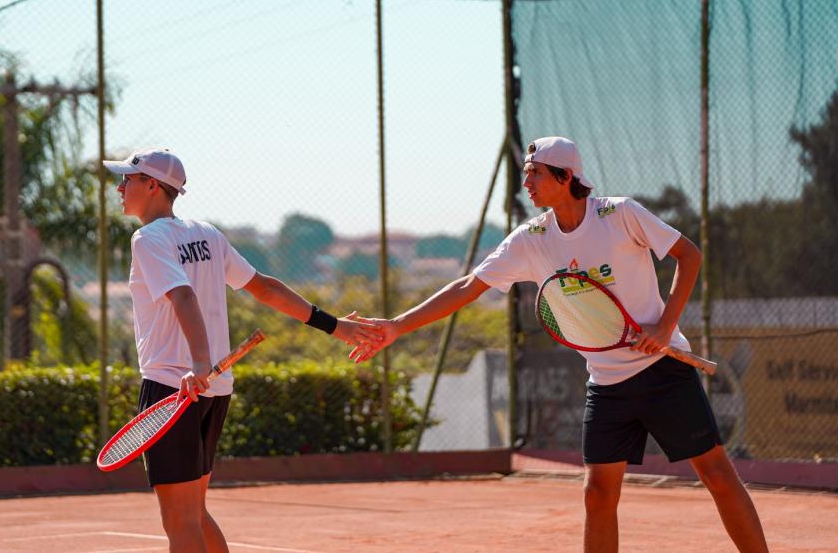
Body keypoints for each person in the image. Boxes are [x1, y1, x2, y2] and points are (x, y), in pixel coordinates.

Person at [350, 136, 768, 553]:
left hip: (663, 371)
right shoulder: (530, 239)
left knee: (716, 474)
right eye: (526, 173)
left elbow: (688, 255)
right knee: (598, 493)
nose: (526, 182)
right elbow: (468, 286)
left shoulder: (620, 214)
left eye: (535, 173)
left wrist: (665, 325)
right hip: (606, 384)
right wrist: (398, 326)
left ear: (566, 177)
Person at [104, 148, 382, 553]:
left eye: (128, 179)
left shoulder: (147, 240)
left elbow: (182, 297)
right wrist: (335, 326)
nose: (120, 187)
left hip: (174, 388)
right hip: (213, 389)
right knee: (194, 514)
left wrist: (197, 363)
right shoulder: (207, 234)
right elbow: (265, 288)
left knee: (180, 521)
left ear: (152, 186)